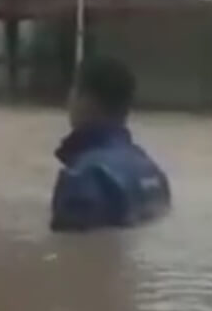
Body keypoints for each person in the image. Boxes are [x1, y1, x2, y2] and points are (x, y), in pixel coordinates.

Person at [50, 57, 172, 232]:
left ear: (87, 100)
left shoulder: (86, 176)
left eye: (74, 91)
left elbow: (75, 253)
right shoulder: (153, 171)